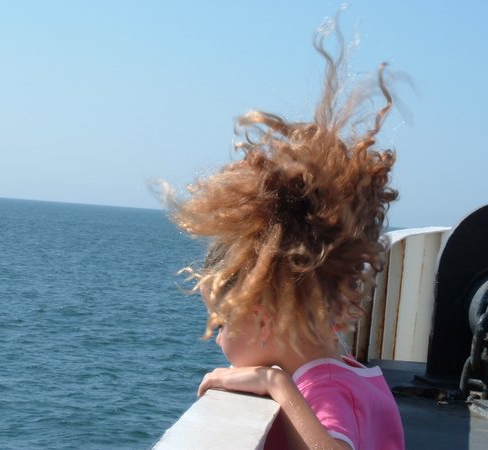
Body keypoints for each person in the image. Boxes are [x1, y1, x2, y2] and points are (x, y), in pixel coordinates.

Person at [167, 17, 405, 450]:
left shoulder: (325, 389)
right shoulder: (346, 373)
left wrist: (276, 385)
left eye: (221, 322)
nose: (217, 338)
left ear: (263, 317)